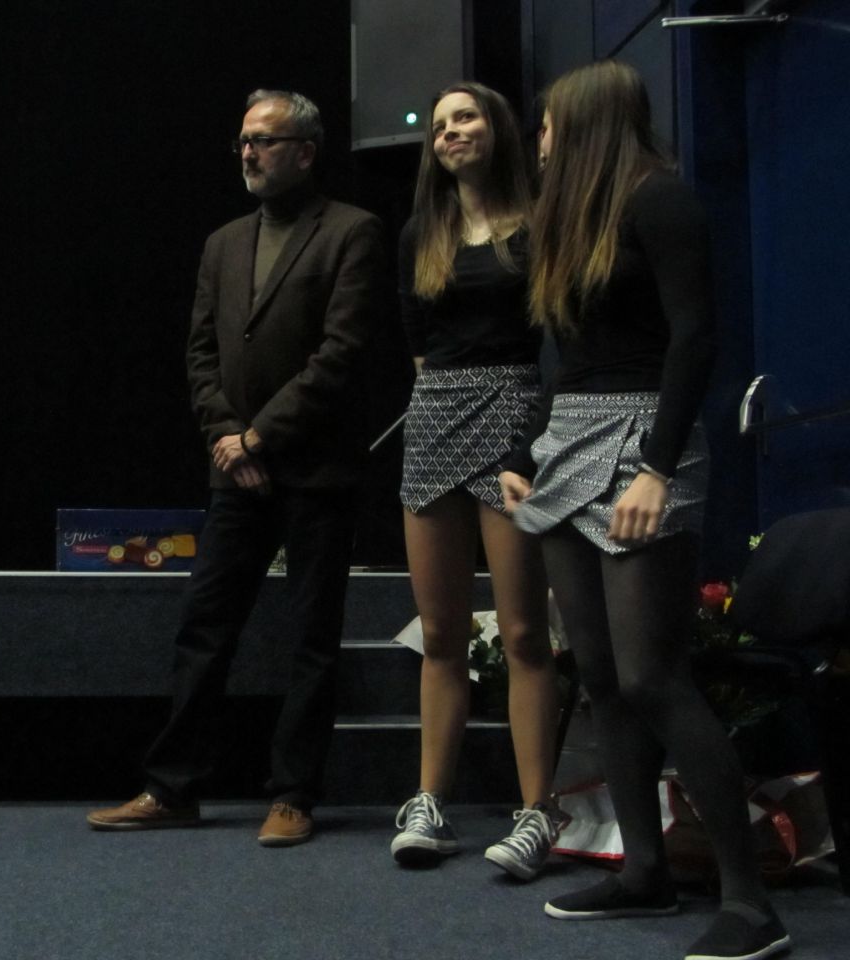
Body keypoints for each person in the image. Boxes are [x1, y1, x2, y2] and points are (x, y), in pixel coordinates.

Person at [499, 61, 790, 960]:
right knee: (598, 672)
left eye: (549, 125)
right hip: (569, 442)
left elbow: (695, 339)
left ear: (586, 124)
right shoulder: (571, 217)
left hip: (642, 444)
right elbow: (573, 359)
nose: (539, 141)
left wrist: (657, 468)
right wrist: (526, 453)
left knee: (653, 675)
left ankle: (751, 904)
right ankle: (644, 871)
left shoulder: (662, 201)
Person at [86, 90, 387, 846]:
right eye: (244, 141)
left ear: (305, 152)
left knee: (312, 638)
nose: (249, 153)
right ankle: (173, 789)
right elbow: (199, 355)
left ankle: (294, 795)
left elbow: (342, 354)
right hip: (236, 472)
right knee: (204, 628)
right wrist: (229, 438)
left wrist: (259, 439)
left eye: (265, 140)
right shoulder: (222, 242)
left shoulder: (352, 231)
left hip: (315, 473)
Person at [389, 82, 563, 880]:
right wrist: (443, 404)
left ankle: (538, 811)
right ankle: (429, 803)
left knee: (524, 632)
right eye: (441, 124)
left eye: (467, 117)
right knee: (441, 634)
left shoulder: (541, 222)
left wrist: (528, 437)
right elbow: (418, 342)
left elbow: (559, 337)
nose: (452, 132)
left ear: (498, 128)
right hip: (434, 418)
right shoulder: (421, 232)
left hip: (515, 415)